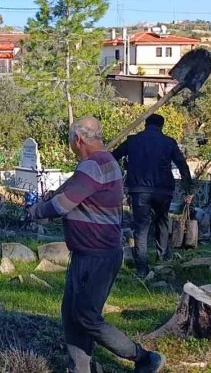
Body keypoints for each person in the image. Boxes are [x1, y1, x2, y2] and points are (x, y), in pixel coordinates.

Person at [29, 117, 166, 373]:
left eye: (71, 142)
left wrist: (36, 210)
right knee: (71, 313)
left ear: (78, 140)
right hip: (88, 252)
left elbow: (61, 206)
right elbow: (76, 194)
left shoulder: (93, 166)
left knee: (87, 316)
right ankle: (81, 368)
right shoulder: (104, 163)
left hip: (97, 255)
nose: (71, 146)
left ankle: (145, 359)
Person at [111, 114, 192, 278]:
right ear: (161, 126)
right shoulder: (169, 142)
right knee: (162, 221)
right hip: (164, 191)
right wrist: (188, 188)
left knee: (141, 228)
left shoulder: (133, 140)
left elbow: (114, 156)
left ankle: (142, 268)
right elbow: (182, 165)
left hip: (140, 191)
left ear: (146, 125)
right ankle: (162, 261)